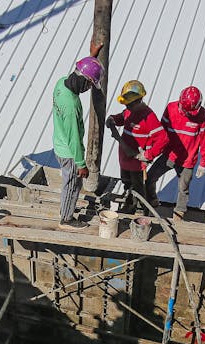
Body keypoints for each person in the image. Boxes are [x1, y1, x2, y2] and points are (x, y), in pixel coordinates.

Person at [52, 57, 103, 230]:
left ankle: (64, 210)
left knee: (69, 182)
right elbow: (74, 139)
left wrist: (92, 55)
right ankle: (66, 219)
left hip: (59, 143)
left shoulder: (61, 83)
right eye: (89, 85)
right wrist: (81, 164)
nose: (88, 89)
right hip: (70, 152)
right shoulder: (71, 106)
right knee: (73, 184)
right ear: (85, 80)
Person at [145, 85, 205, 215]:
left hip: (187, 160)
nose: (185, 114)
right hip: (169, 155)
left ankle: (179, 215)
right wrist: (151, 151)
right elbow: (160, 132)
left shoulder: (204, 115)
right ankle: (151, 201)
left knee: (183, 189)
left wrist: (203, 163)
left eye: (188, 112)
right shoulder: (171, 108)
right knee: (150, 178)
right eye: (184, 110)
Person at [105, 80, 168, 213]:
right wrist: (113, 119)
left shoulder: (148, 117)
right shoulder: (129, 110)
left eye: (129, 105)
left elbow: (163, 139)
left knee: (137, 187)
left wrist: (147, 155)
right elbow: (122, 117)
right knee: (126, 182)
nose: (127, 108)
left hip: (136, 161)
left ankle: (137, 209)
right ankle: (129, 201)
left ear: (138, 101)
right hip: (124, 157)